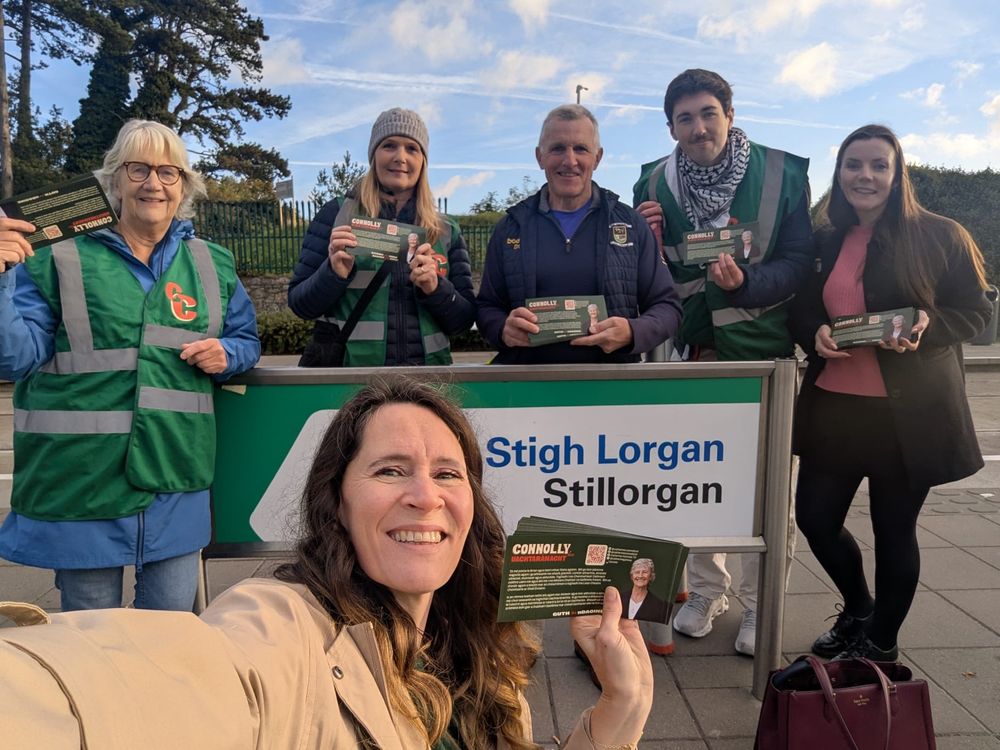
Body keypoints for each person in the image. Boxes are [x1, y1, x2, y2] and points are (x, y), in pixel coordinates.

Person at [0, 377, 653, 749]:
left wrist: (619, 706)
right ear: (336, 504)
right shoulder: (286, 627)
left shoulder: (483, 646)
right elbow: (184, 679)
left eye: (447, 473)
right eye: (390, 470)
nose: (424, 495)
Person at [0, 119, 260, 613]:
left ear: (184, 185)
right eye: (137, 168)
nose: (153, 183)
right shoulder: (57, 257)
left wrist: (229, 354)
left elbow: (246, 339)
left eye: (168, 172)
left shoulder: (213, 262)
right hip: (82, 485)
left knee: (170, 642)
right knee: (92, 651)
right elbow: (13, 358)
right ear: (114, 180)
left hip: (176, 479)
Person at [789, 124, 990, 661]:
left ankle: (880, 643)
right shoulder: (826, 239)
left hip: (910, 417)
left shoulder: (941, 235)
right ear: (840, 173)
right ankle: (858, 608)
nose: (866, 175)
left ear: (898, 173)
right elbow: (803, 307)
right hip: (835, 408)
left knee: (894, 532)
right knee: (814, 519)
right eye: (854, 164)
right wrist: (815, 331)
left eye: (879, 165)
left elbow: (977, 312)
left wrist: (928, 326)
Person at [633, 68, 811, 656]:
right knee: (698, 481)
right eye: (685, 118)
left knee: (768, 490)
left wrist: (745, 286)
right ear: (671, 127)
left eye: (708, 113)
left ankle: (764, 606)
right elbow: (645, 278)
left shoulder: (784, 171)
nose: (698, 126)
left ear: (729, 115)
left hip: (763, 354)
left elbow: (799, 263)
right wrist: (645, 241)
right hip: (690, 353)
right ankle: (709, 590)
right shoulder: (652, 182)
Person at [477, 104, 681, 365]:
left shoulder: (630, 224)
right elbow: (485, 307)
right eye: (558, 148)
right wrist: (502, 328)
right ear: (540, 157)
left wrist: (632, 332)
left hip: (610, 387)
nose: (569, 160)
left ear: (598, 157)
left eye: (581, 149)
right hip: (526, 387)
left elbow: (668, 308)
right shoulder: (510, 228)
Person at [289, 107, 475, 366]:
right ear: (373, 155)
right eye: (389, 145)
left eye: (412, 148)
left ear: (423, 160)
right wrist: (333, 273)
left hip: (426, 382)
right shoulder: (337, 214)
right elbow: (300, 305)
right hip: (351, 380)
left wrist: (436, 289)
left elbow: (463, 321)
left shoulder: (445, 230)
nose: (400, 157)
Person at [619, 558, 669, 624]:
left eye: (644, 572)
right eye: (637, 572)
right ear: (631, 576)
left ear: (651, 576)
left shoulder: (660, 606)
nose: (640, 576)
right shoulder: (619, 597)